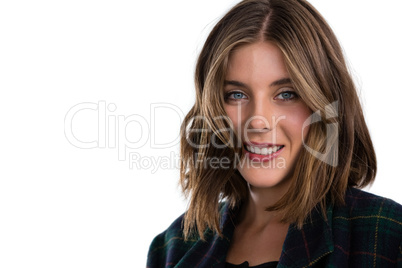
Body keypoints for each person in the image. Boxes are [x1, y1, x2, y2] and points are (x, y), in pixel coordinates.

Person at [146, 0, 402, 267]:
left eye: (286, 94)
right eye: (236, 95)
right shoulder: (173, 246)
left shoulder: (387, 236)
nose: (258, 122)